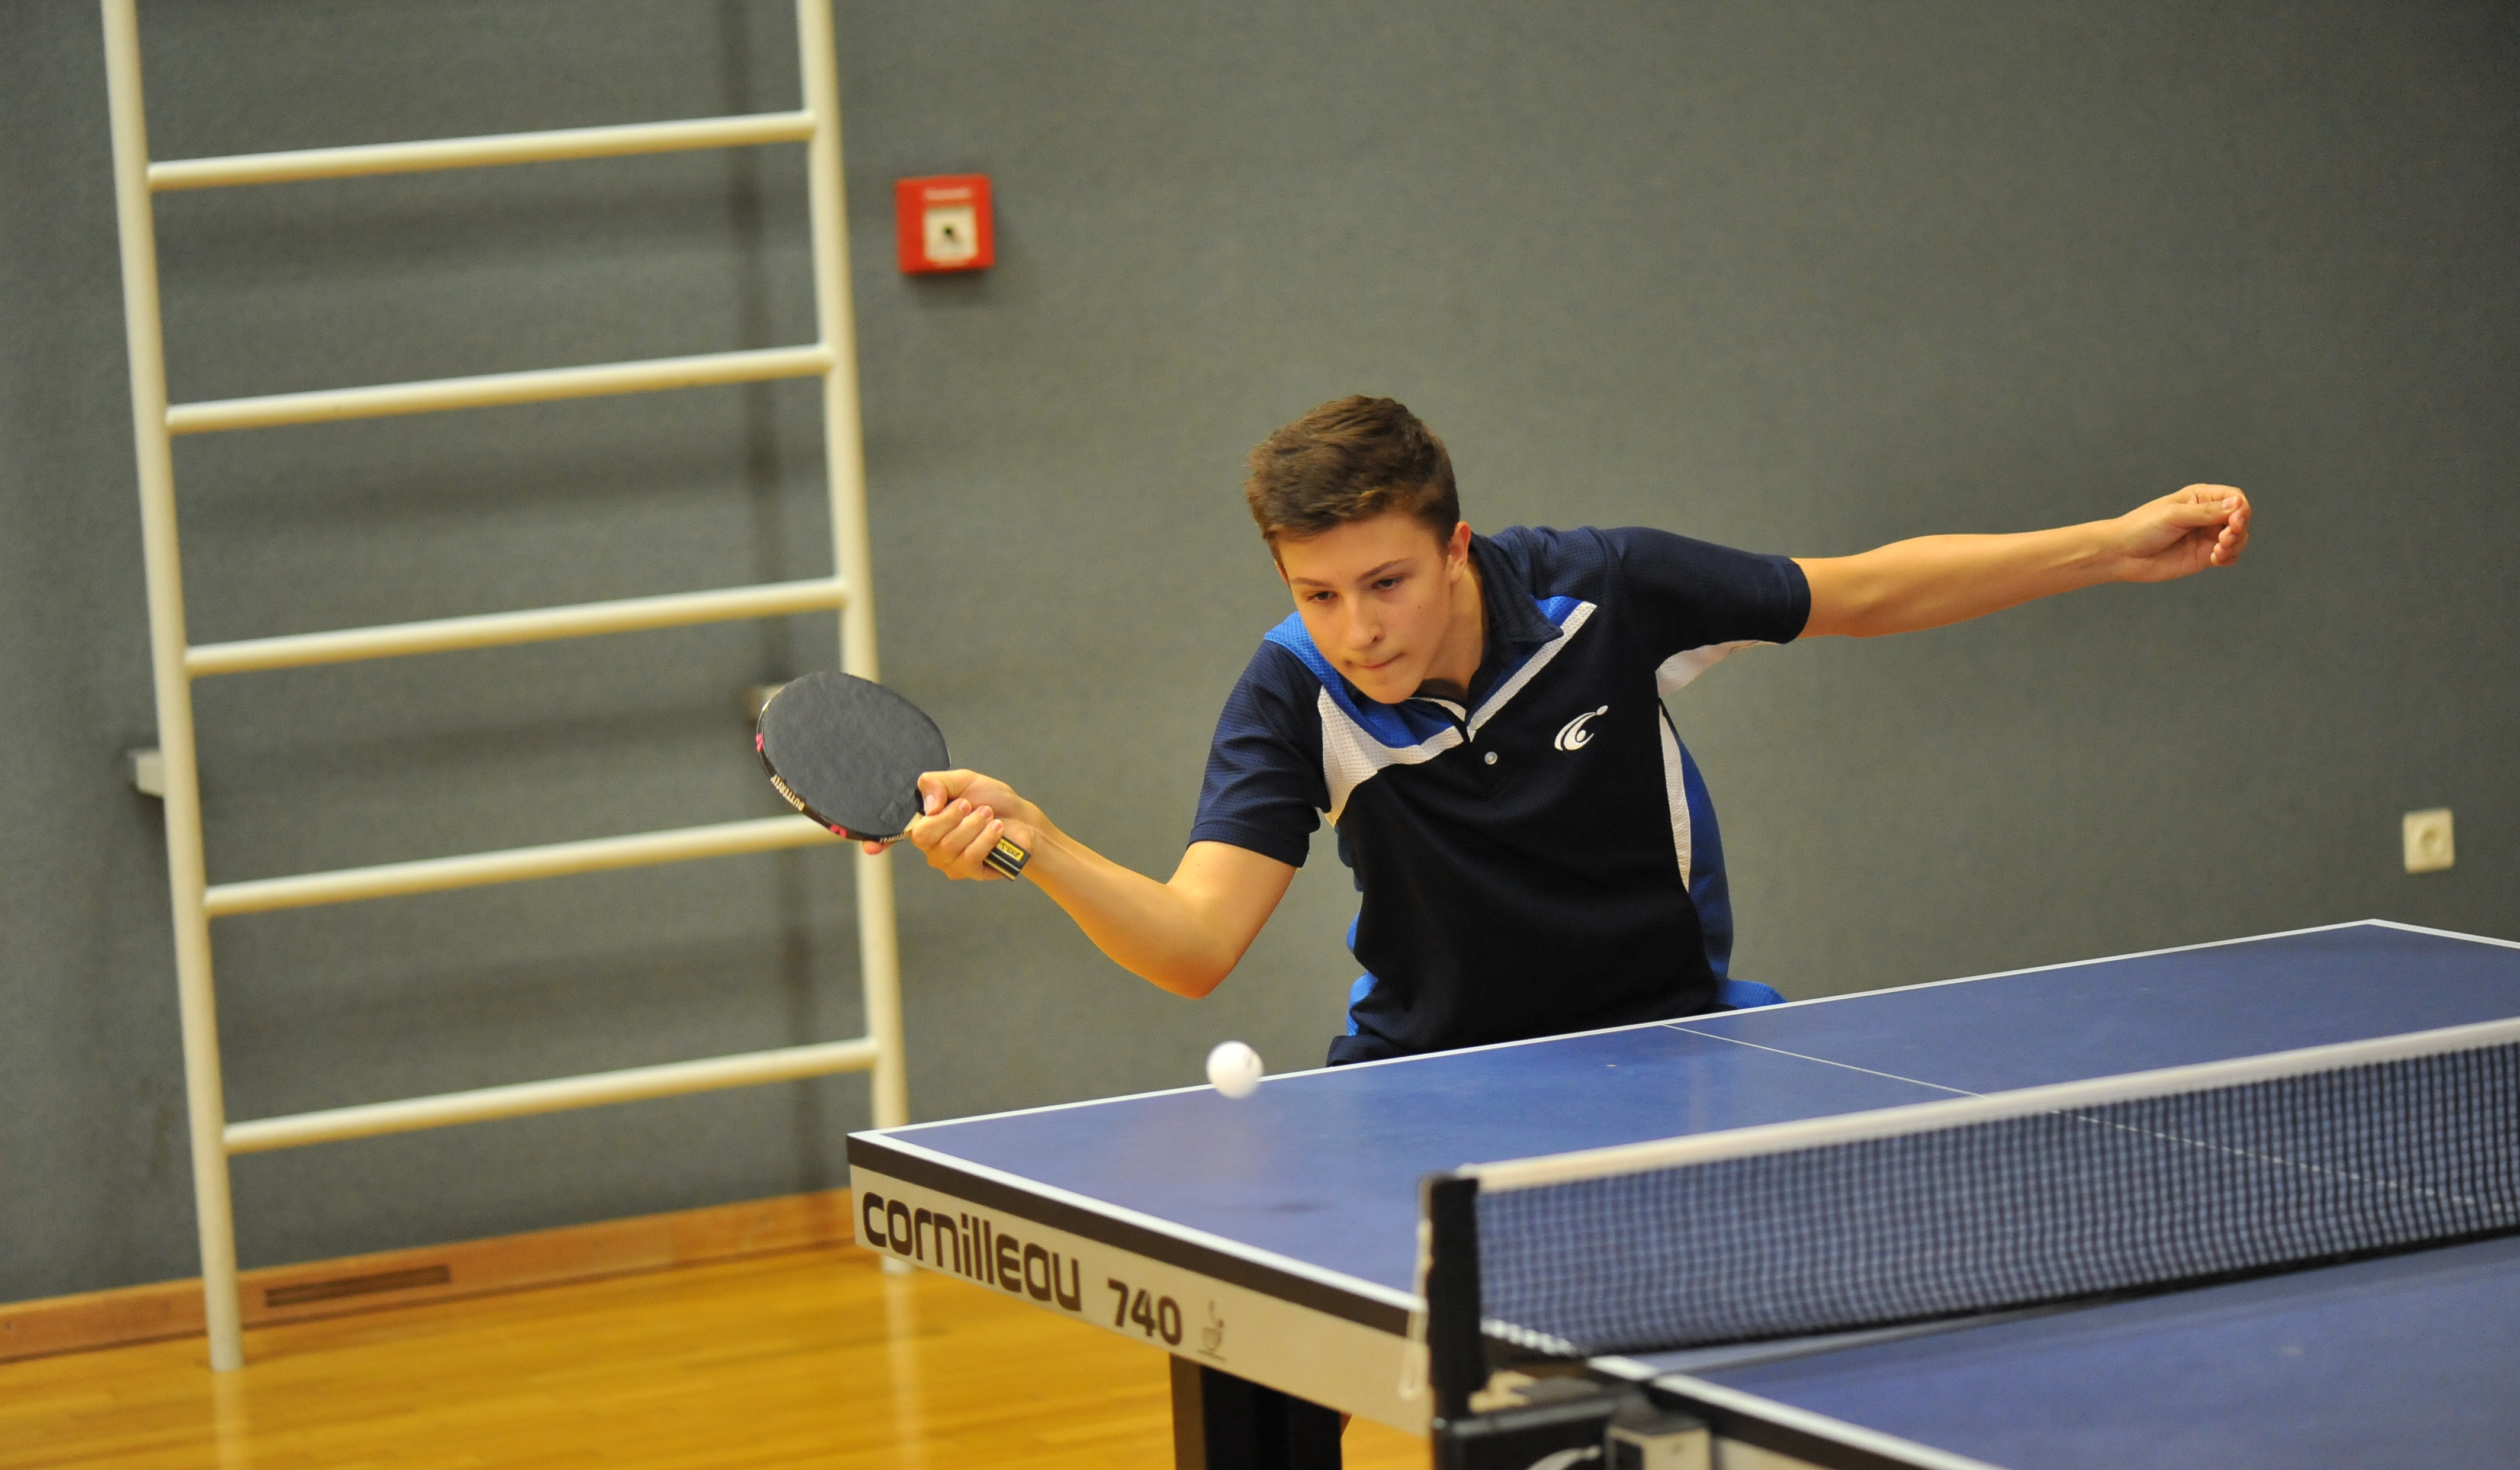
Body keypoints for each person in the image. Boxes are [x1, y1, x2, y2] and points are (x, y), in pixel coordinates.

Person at [876, 395, 2251, 1067]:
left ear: (1455, 547)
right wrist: (1038, 846)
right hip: (1421, 1085)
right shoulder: (1295, 692)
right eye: (1317, 594)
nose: (1357, 628)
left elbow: (1863, 592)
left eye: (1385, 583)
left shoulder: (1600, 593)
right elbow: (1194, 946)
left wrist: (2105, 547)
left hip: (1672, 1048)